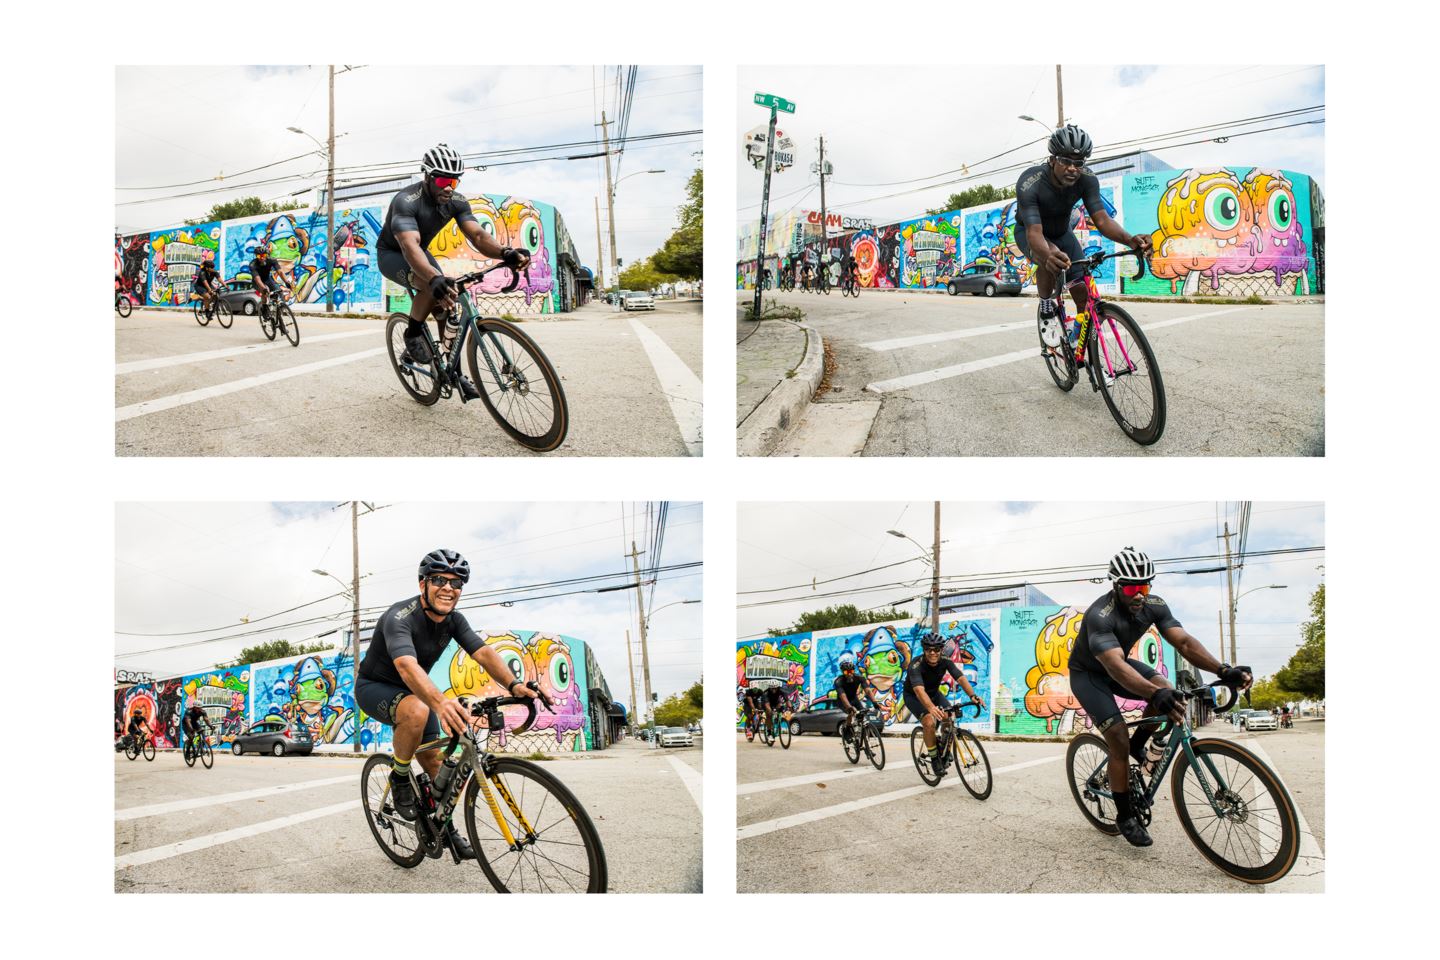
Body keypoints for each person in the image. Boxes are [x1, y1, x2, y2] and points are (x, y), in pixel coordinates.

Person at [355, 548, 537, 860]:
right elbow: (405, 666)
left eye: (456, 583)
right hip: (376, 687)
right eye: (439, 579)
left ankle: (443, 825)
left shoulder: (454, 621)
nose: (448, 588)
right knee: (418, 708)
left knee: (437, 766)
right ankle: (399, 776)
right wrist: (440, 703)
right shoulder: (399, 617)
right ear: (422, 583)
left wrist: (514, 684)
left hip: (418, 693)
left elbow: (482, 653)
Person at [1066, 546, 1252, 848]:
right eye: (1131, 587)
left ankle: (1139, 745)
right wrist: (1155, 693)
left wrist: (1223, 669)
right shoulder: (1100, 615)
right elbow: (1113, 664)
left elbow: (1185, 643)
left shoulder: (1155, 605)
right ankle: (1125, 815)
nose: (1138, 594)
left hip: (1120, 666)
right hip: (1090, 675)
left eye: (1144, 586)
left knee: (1165, 686)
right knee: (1117, 737)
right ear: (1116, 586)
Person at [376, 144, 530, 388]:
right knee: (430, 284)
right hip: (393, 254)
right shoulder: (405, 201)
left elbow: (478, 236)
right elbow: (409, 246)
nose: (448, 188)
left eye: (455, 182)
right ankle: (413, 332)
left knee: (446, 308)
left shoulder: (456, 202)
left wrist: (505, 252)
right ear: (427, 176)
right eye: (443, 181)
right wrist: (431, 277)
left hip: (419, 252)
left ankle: (453, 373)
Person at [1014, 125, 1153, 324]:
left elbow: (1103, 220)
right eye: (1065, 160)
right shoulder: (1030, 182)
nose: (1072, 168)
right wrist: (1047, 254)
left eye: (1078, 162)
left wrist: (1130, 240)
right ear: (1052, 160)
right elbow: (1035, 233)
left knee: (1083, 293)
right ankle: (1045, 302)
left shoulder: (1086, 179)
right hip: (1030, 232)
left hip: (1063, 233)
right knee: (1049, 253)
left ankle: (1080, 339)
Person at [904, 633, 985, 764]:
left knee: (949, 716)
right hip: (914, 696)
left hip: (934, 693)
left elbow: (960, 678)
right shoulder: (915, 665)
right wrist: (930, 708)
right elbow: (919, 690)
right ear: (924, 650)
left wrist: (972, 695)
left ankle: (943, 745)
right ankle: (935, 757)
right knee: (929, 722)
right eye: (928, 649)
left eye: (936, 649)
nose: (932, 653)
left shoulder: (945, 660)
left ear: (941, 650)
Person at [832, 653, 877, 734]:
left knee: (862, 713)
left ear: (854, 670)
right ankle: (848, 728)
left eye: (851, 671)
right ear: (843, 672)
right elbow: (843, 696)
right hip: (843, 701)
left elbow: (868, 690)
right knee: (851, 712)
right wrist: (849, 707)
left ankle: (860, 734)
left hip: (854, 698)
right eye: (846, 672)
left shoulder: (859, 678)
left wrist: (874, 702)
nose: (849, 674)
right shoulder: (839, 681)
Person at [248, 246, 292, 312]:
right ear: (256, 256)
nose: (262, 258)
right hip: (257, 282)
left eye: (264, 255)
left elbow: (280, 272)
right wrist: (264, 289)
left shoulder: (272, 260)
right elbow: (257, 279)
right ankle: (264, 307)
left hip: (267, 279)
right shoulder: (253, 265)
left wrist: (286, 282)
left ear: (267, 255)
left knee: (279, 291)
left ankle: (278, 310)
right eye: (259, 256)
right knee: (265, 291)